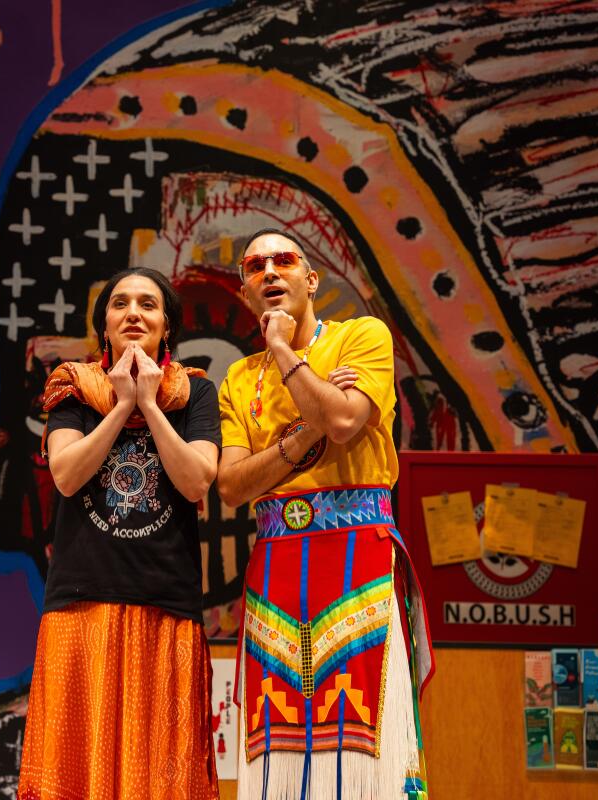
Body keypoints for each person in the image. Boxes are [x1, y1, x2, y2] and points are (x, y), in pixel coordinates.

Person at [217, 229, 434, 799]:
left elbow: (345, 423)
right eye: (255, 265)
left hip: (359, 555)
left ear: (311, 280)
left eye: (283, 260)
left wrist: (286, 352)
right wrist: (307, 430)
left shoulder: (364, 336)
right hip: (276, 568)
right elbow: (232, 486)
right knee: (277, 748)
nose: (269, 271)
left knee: (369, 744)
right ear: (244, 290)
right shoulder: (238, 380)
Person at [17, 268, 220, 800]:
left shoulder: (196, 393)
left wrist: (150, 404)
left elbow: (197, 480)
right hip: (81, 606)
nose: (134, 312)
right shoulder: (73, 386)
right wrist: (122, 403)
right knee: (74, 776)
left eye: (148, 305)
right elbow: (66, 474)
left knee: (158, 782)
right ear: (103, 326)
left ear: (166, 328)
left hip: (164, 607)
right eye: (120, 303)